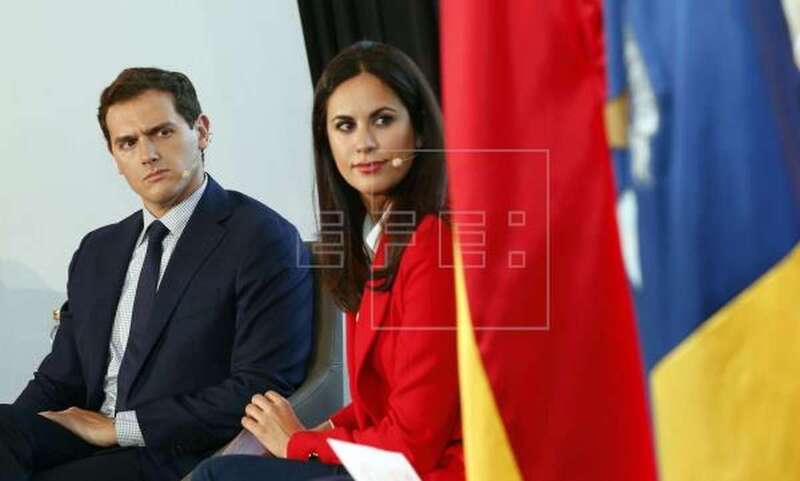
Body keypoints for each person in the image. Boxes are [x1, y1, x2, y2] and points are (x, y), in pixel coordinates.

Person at [0, 68, 314, 481]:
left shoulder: (261, 238)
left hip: (177, 450)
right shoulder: (98, 250)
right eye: (128, 143)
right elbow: (59, 378)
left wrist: (120, 429)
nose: (147, 154)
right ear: (115, 157)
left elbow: (259, 386)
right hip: (87, 438)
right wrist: (16, 434)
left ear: (201, 131)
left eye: (162, 133)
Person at [192, 41, 463, 481]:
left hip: (431, 471)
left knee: (216, 477)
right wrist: (323, 430)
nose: (364, 143)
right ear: (328, 143)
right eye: (345, 126)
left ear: (418, 132)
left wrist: (297, 443)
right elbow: (385, 401)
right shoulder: (373, 240)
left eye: (383, 120)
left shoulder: (433, 243)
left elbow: (413, 445)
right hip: (390, 463)